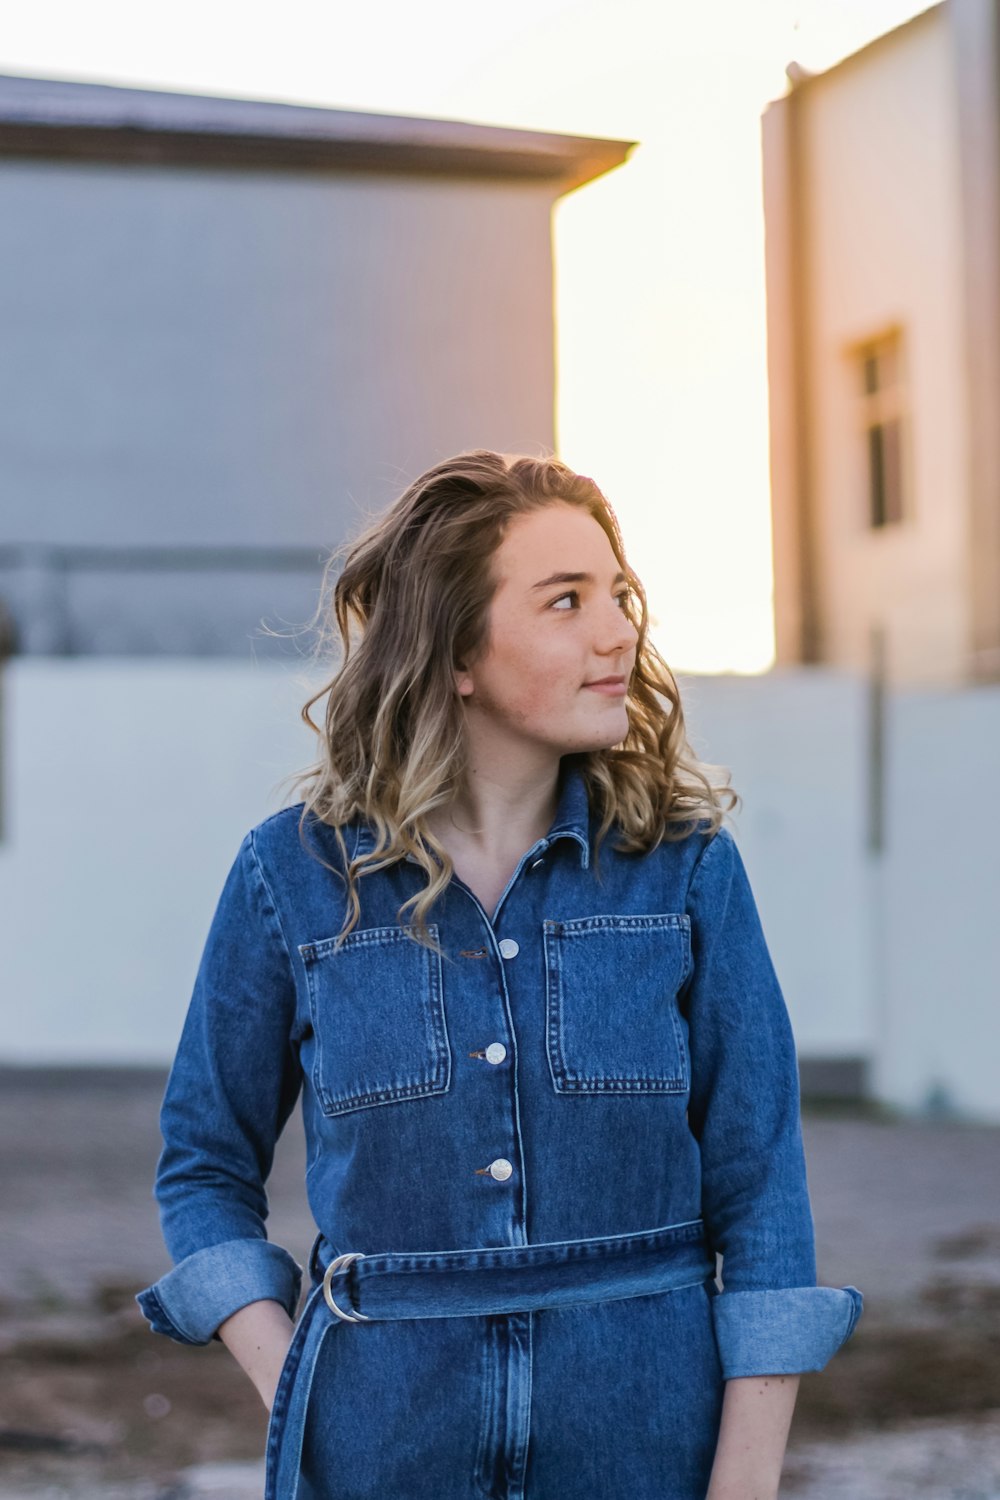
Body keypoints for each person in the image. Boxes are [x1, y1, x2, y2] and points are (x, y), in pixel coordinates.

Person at [136, 450, 863, 1500]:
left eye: (619, 596)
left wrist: (742, 1485)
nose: (617, 632)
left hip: (644, 1442)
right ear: (454, 652)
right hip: (381, 1448)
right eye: (565, 601)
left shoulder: (685, 869)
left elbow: (761, 1194)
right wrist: (295, 1373)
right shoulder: (289, 877)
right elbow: (202, 1170)